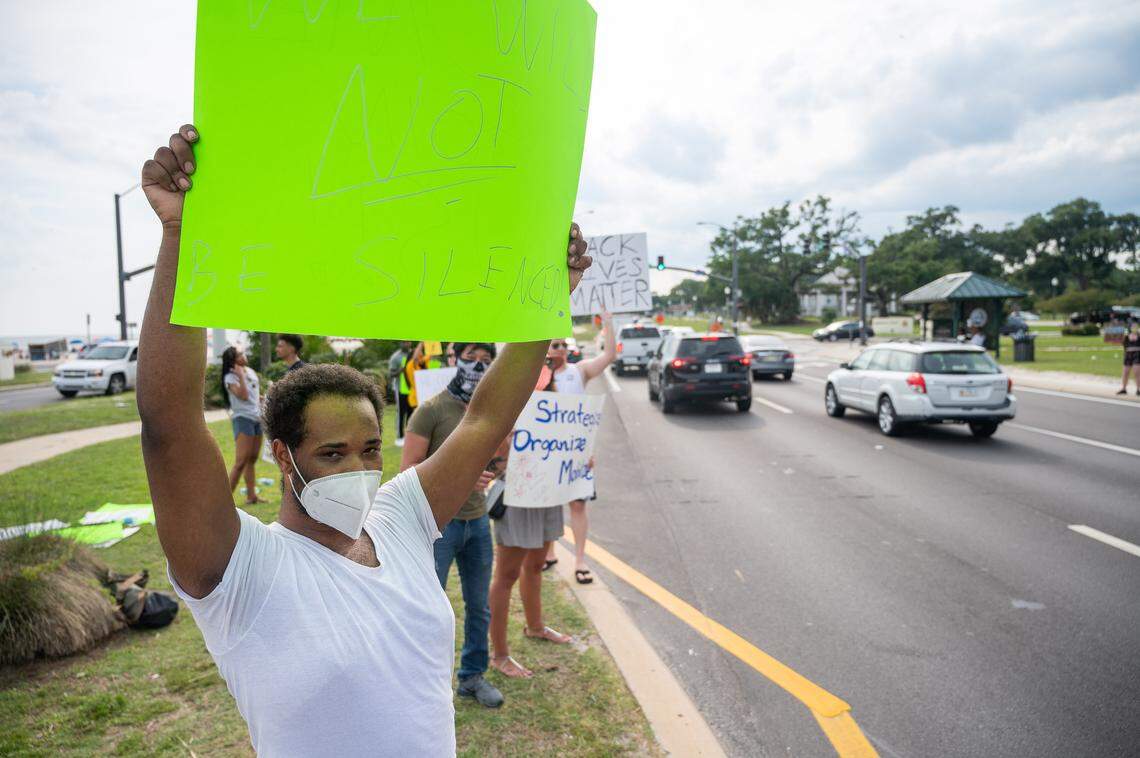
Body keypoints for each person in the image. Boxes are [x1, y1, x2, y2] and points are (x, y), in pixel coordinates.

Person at [134, 124, 592, 756]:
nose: (359, 467)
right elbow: (169, 426)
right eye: (332, 453)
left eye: (371, 449)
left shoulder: (401, 517)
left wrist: (548, 301)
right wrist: (181, 236)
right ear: (282, 454)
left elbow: (484, 420)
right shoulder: (240, 570)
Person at [401, 342, 503, 708]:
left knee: (479, 606)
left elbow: (498, 459)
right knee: (429, 608)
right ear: (453, 360)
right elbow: (407, 471)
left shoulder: (488, 412)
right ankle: (424, 683)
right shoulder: (429, 412)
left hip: (478, 524)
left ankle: (472, 677)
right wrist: (456, 476)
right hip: (438, 527)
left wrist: (496, 464)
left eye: (486, 361)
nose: (478, 366)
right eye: (471, 357)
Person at [541, 313, 616, 584]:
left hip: (576, 453)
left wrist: (608, 323)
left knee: (578, 505)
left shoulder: (579, 372)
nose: (560, 349)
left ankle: (580, 560)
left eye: (563, 345)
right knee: (549, 503)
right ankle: (550, 552)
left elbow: (609, 356)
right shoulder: (536, 377)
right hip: (547, 452)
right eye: (555, 345)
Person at [220, 346, 265, 504]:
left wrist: (263, 398)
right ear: (233, 361)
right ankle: (224, 502)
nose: (244, 356)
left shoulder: (250, 371)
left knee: (252, 458)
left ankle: (251, 496)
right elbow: (244, 396)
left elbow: (252, 395)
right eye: (240, 355)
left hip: (257, 417)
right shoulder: (230, 378)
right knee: (240, 461)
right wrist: (239, 375)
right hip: (242, 418)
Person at [1119, 321, 1140, 395]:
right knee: (1125, 372)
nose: (1134, 328)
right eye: (1133, 327)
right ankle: (1124, 388)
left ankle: (1138, 389)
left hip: (1137, 355)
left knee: (1136, 373)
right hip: (1128, 355)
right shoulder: (1127, 336)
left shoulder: (1139, 336)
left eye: (1136, 326)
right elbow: (1124, 345)